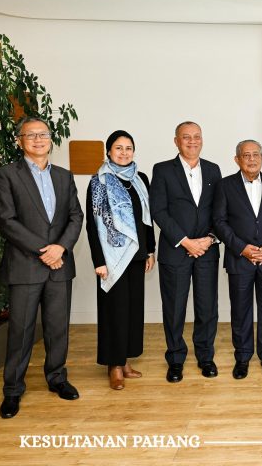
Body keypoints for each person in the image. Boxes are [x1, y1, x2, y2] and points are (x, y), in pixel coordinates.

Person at [0, 116, 84, 419]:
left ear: (50, 139)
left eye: (43, 134)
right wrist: (45, 251)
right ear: (20, 141)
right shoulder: (6, 175)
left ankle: (57, 378)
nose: (38, 139)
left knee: (58, 328)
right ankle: (12, 390)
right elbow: (6, 221)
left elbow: (76, 216)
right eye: (30, 135)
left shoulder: (64, 176)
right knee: (21, 330)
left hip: (60, 264)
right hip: (25, 265)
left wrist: (61, 248)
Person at [150, 121, 222, 382]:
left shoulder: (213, 170)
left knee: (207, 308)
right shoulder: (162, 170)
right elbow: (158, 210)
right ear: (176, 141)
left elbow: (219, 210)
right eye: (186, 137)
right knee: (174, 308)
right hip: (176, 251)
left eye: (197, 136)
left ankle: (206, 357)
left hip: (207, 251)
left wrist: (209, 239)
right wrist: (185, 241)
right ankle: (175, 359)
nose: (192, 141)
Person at [85, 130, 156, 390]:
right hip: (111, 257)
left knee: (132, 311)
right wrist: (98, 260)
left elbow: (147, 219)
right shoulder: (99, 181)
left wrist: (150, 250)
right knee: (113, 311)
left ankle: (125, 360)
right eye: (118, 148)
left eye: (128, 148)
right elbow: (92, 225)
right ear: (108, 151)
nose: (124, 153)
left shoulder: (140, 179)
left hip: (137, 255)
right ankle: (113, 365)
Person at [213, 140, 262, 380]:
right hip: (239, 259)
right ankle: (242, 357)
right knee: (240, 310)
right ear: (237, 159)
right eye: (246, 155)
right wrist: (242, 248)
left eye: (255, 154)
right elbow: (219, 221)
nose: (251, 159)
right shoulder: (224, 186)